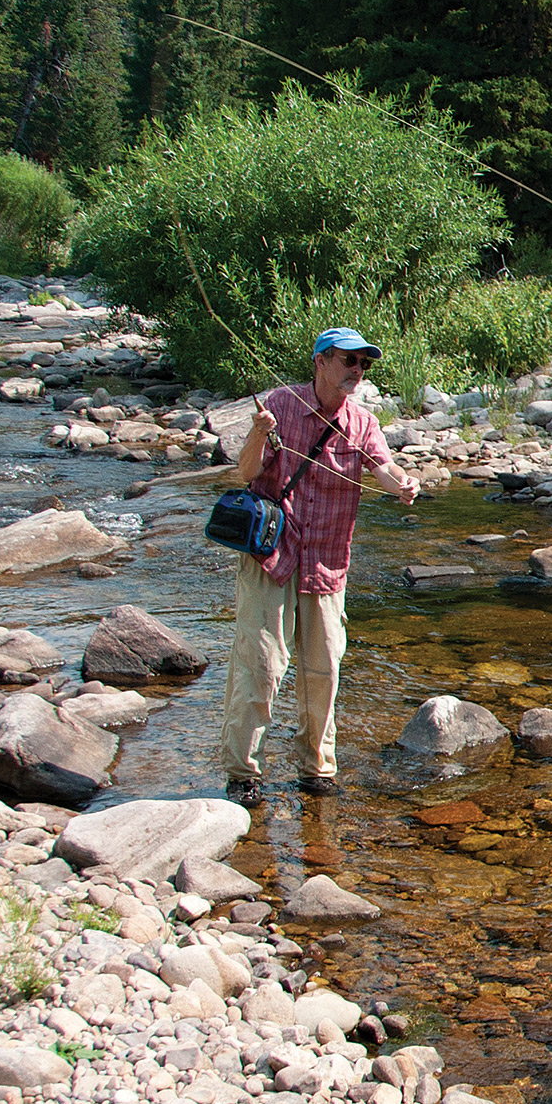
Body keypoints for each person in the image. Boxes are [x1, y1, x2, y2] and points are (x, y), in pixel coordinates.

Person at [217, 328, 420, 803]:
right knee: (262, 666)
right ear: (321, 362)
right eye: (350, 361)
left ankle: (316, 770)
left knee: (323, 671)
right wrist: (258, 433)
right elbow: (246, 473)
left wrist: (405, 486)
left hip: (327, 562)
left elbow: (383, 470)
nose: (358, 372)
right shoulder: (282, 404)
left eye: (364, 365)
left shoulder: (364, 423)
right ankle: (243, 773)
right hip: (271, 555)